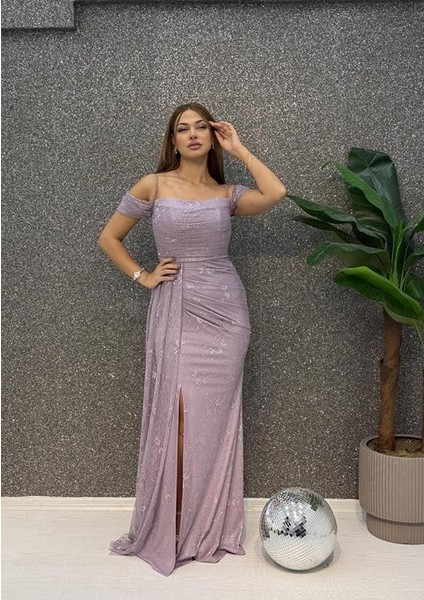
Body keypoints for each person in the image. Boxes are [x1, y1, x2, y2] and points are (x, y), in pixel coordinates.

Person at [97, 102, 287, 576]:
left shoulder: (227, 194)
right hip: (178, 308)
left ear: (212, 135)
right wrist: (143, 275)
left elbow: (276, 192)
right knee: (179, 419)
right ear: (173, 140)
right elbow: (109, 238)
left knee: (215, 423)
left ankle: (206, 525)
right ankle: (173, 525)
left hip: (226, 313)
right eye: (183, 129)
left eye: (201, 127)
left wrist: (238, 148)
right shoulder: (153, 185)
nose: (193, 134)